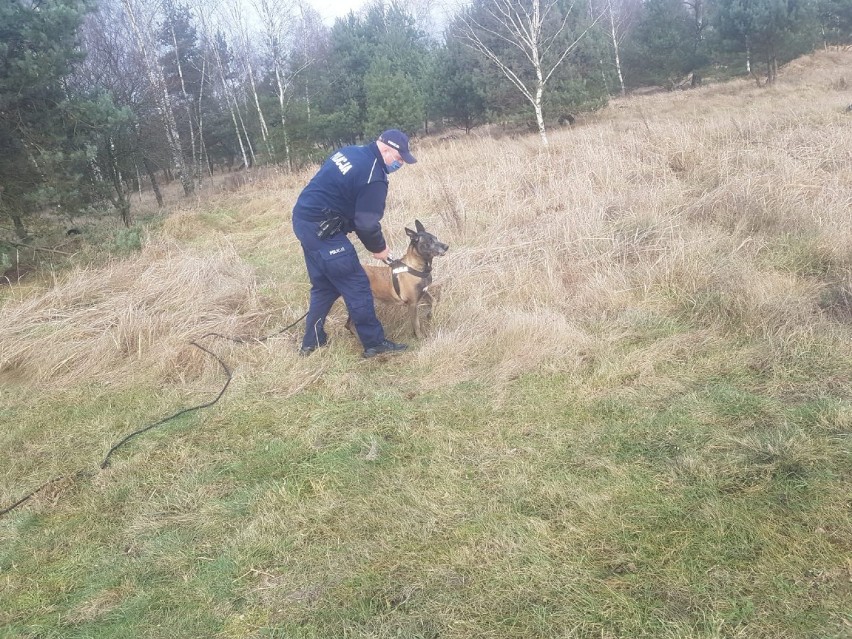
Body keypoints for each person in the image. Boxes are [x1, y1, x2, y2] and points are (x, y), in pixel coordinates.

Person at [291, 129, 417, 358]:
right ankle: (374, 343)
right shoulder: (375, 176)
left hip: (304, 221)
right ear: (386, 148)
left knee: (324, 285)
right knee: (357, 283)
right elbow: (367, 223)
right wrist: (379, 249)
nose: (400, 164)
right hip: (323, 231)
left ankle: (312, 341)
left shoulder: (351, 151)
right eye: (399, 159)